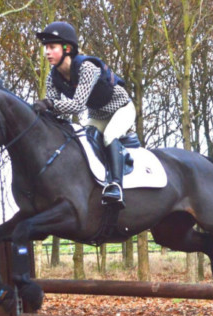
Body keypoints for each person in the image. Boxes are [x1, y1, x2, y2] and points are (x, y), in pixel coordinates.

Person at [34, 21, 135, 209]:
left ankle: (115, 186)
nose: (46, 52)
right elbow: (53, 108)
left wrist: (49, 104)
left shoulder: (87, 67)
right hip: (98, 114)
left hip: (122, 109)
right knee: (85, 140)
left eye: (52, 47)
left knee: (109, 136)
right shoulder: (52, 76)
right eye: (46, 48)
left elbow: (77, 105)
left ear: (67, 48)